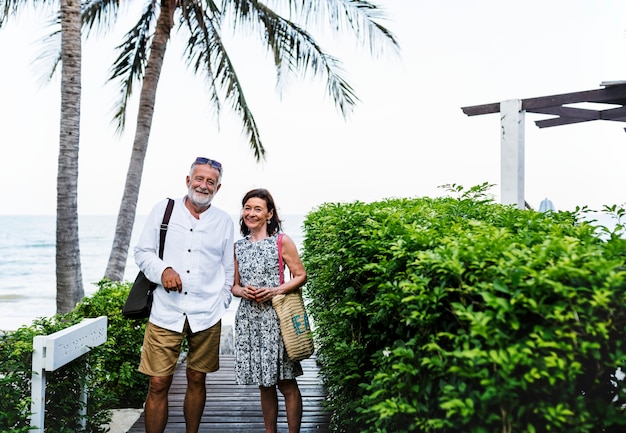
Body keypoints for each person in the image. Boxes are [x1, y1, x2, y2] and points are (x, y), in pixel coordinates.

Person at [134, 156, 235, 433]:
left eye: (210, 182)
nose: (204, 185)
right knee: (157, 383)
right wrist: (163, 269)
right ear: (188, 180)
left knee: (197, 378)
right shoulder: (163, 210)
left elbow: (228, 269)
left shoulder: (224, 222)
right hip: (166, 311)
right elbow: (142, 252)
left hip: (207, 314)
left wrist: (222, 302)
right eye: (199, 179)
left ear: (218, 187)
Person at [232, 188, 307, 433]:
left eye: (257, 209)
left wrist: (274, 291)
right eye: (247, 208)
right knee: (264, 384)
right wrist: (242, 292)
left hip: (277, 319)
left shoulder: (281, 241)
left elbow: (300, 275)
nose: (251, 213)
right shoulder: (238, 247)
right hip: (249, 320)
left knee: (286, 382)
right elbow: (234, 286)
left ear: (269, 214)